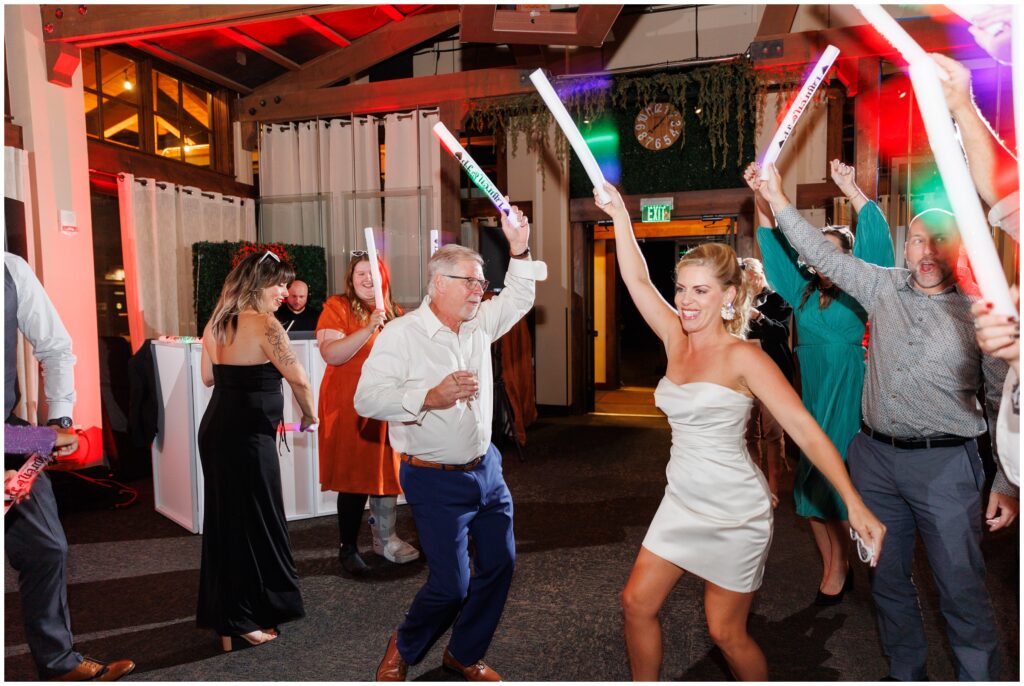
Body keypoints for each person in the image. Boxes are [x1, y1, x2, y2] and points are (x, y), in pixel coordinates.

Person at [593, 183, 886, 681]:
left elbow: (805, 431)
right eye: (682, 288)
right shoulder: (673, 337)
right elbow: (638, 281)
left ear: (729, 297)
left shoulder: (744, 356)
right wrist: (620, 213)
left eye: (700, 291)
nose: (685, 301)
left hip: (735, 512)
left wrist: (854, 503)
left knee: (726, 633)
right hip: (681, 500)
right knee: (635, 603)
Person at [757, 162, 1018, 681]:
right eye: (918, 239)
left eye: (938, 240)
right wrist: (776, 197)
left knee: (960, 587)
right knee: (888, 581)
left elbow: (1000, 400)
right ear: (908, 245)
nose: (926, 250)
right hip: (874, 460)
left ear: (958, 248)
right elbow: (818, 253)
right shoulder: (880, 287)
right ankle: (905, 671)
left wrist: (1008, 482)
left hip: (946, 465)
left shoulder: (980, 313)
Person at [355, 206, 546, 682]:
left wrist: (519, 247)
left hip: (488, 472)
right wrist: (429, 397)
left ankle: (463, 653)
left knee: (500, 566)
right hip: (433, 477)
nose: (480, 291)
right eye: (471, 282)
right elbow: (366, 399)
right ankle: (403, 646)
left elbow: (520, 297)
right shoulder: (402, 336)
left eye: (482, 283)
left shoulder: (480, 323)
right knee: (451, 584)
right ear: (439, 283)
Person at [746, 159, 895, 604]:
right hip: (811, 394)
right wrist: (760, 192)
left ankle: (846, 563)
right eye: (817, 254)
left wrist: (852, 190)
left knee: (842, 479)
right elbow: (771, 243)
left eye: (833, 253)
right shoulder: (802, 292)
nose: (823, 261)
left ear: (849, 260)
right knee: (810, 488)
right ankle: (836, 563)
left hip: (848, 391)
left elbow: (879, 244)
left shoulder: (860, 289)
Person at [3, 251, 135, 680]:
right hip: (16, 438)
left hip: (8, 432)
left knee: (46, 547)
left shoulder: (10, 270)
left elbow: (56, 347)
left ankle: (59, 664)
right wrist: (44, 438)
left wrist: (59, 419)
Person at [196, 250, 318, 651]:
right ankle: (241, 617)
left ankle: (233, 616)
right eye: (279, 283)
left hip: (218, 430)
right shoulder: (265, 324)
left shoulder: (217, 322)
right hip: (247, 437)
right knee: (254, 522)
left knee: (228, 523)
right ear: (256, 284)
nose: (284, 292)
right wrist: (310, 415)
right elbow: (298, 377)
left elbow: (209, 378)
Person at [316, 253, 419, 575]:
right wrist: (368, 327)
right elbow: (332, 354)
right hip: (348, 406)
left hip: (385, 406)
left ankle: (385, 538)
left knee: (384, 472)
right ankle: (347, 547)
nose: (367, 279)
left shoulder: (395, 312)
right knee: (354, 478)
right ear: (351, 277)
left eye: (373, 273)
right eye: (361, 273)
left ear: (384, 277)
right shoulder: (338, 306)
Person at [740, 257, 793, 508]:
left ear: (761, 275)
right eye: (746, 277)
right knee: (748, 433)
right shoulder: (736, 302)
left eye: (754, 275)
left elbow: (782, 332)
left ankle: (773, 488)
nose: (752, 281)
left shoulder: (777, 300)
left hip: (772, 373)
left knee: (773, 433)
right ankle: (755, 486)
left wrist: (759, 316)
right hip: (745, 374)